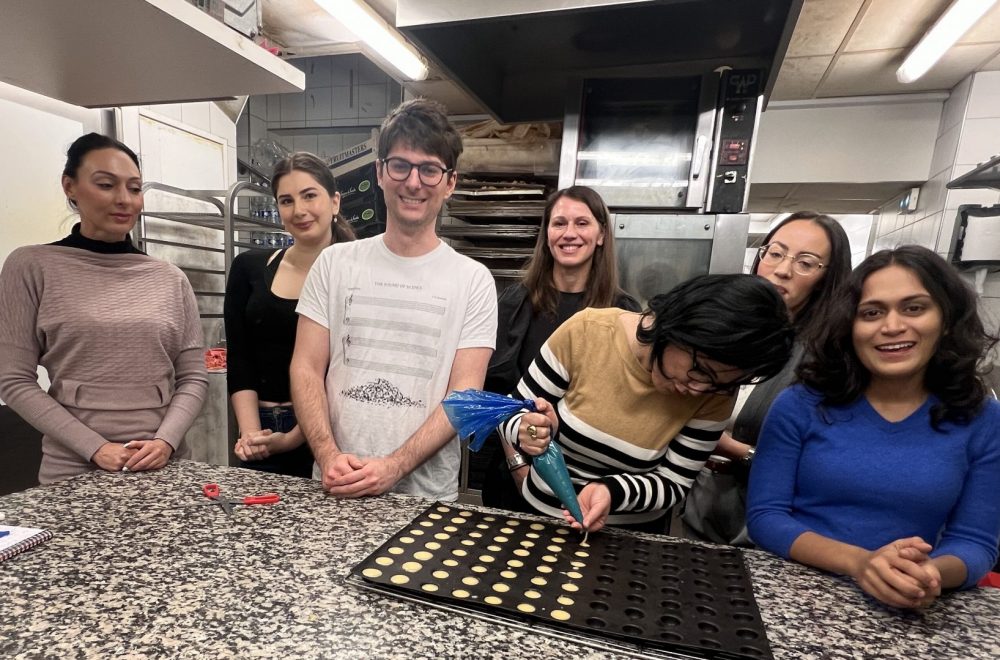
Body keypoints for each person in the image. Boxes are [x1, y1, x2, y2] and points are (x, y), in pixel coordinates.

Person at [747, 246, 1000, 609]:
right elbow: (765, 516)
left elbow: (976, 542)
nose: (892, 326)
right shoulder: (801, 404)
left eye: (914, 308)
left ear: (945, 320)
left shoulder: (983, 418)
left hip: (910, 602)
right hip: (792, 590)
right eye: (872, 312)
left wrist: (926, 575)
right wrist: (861, 563)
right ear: (851, 326)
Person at [291, 98, 498, 501]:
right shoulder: (334, 264)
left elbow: (464, 396)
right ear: (380, 173)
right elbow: (305, 367)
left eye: (430, 169)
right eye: (400, 165)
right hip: (335, 484)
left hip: (425, 498)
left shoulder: (473, 281)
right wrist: (328, 455)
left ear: (450, 182)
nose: (414, 182)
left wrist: (394, 467)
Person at [502, 274, 795, 533]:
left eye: (721, 383)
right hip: (538, 518)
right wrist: (528, 434)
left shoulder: (715, 393)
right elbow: (512, 413)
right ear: (677, 327)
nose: (700, 389)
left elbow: (674, 482)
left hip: (630, 535)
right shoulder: (588, 332)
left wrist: (612, 491)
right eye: (700, 370)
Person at [0, 133, 208, 484]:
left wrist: (165, 441)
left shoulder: (169, 278)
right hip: (73, 470)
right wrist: (95, 447)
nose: (124, 200)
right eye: (106, 184)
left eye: (135, 188)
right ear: (70, 186)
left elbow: (193, 378)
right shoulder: (32, 266)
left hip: (162, 467)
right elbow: (14, 380)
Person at [682, 212, 851, 544]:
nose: (783, 269)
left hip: (768, 513)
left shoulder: (827, 356)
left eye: (805, 262)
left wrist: (735, 450)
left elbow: (819, 462)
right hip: (698, 497)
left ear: (827, 279)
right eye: (775, 253)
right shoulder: (726, 330)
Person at [482, 185, 640, 511]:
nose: (569, 233)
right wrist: (518, 466)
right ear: (547, 234)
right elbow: (495, 394)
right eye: (559, 223)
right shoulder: (515, 303)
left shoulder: (623, 313)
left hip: (590, 485)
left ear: (601, 235)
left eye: (582, 223)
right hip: (515, 478)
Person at [224, 152, 356, 478]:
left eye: (309, 195)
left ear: (335, 202)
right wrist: (253, 435)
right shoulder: (248, 268)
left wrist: (295, 437)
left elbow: (350, 371)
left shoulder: (357, 276)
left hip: (331, 433)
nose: (299, 210)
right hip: (262, 429)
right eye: (286, 200)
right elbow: (240, 360)